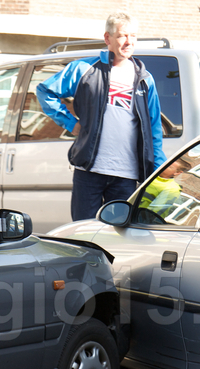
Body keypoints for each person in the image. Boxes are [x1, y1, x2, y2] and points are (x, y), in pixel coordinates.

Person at [36, 13, 166, 221]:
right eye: (123, 36)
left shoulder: (145, 79)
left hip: (126, 175)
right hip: (89, 171)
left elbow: (153, 127)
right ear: (108, 39)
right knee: (83, 233)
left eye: (133, 36)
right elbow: (45, 91)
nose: (129, 42)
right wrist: (71, 124)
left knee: (118, 237)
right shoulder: (83, 69)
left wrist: (159, 166)